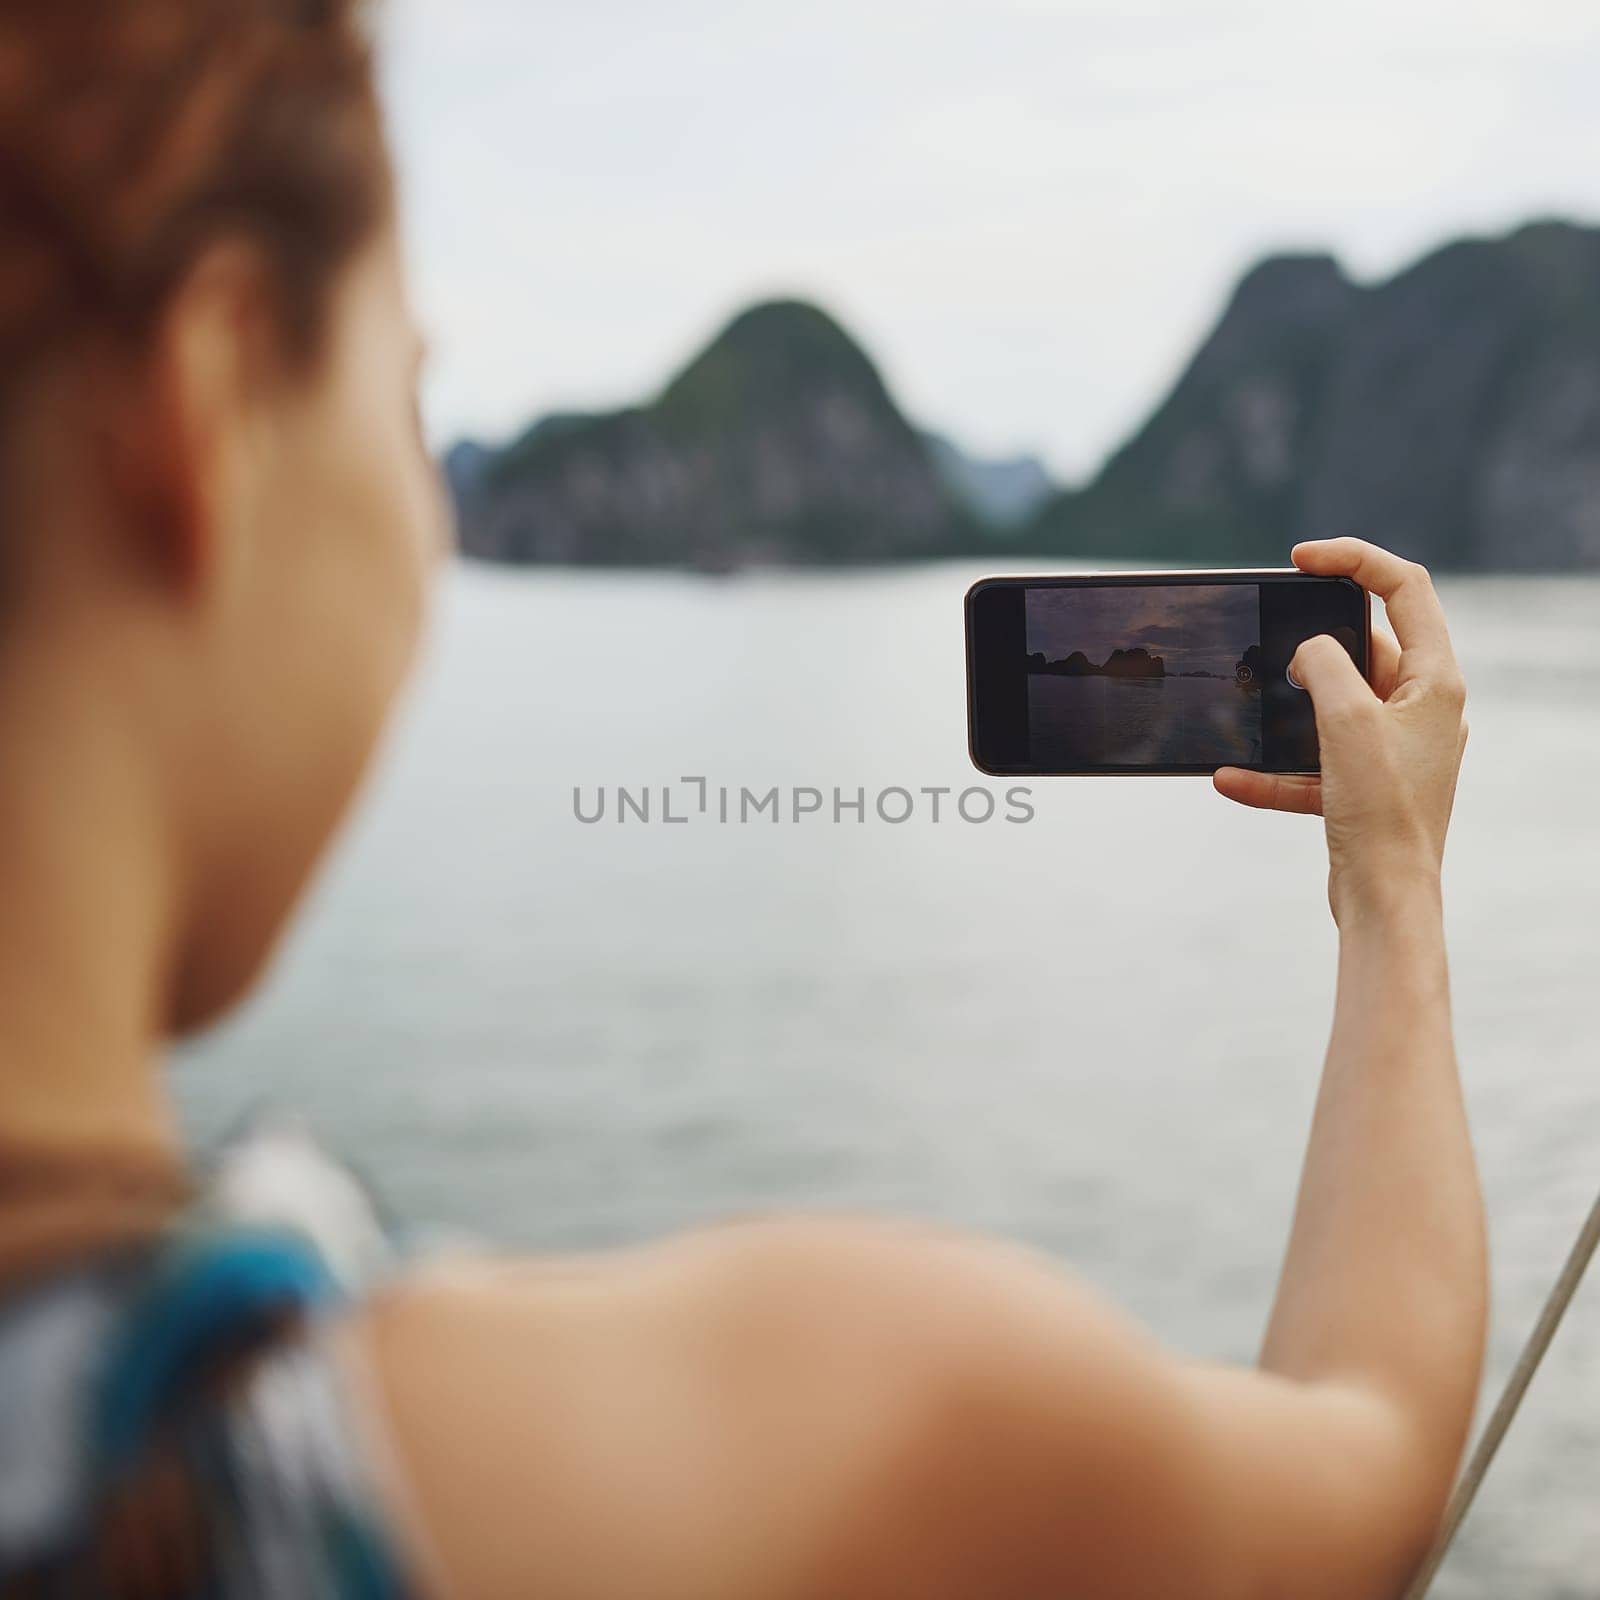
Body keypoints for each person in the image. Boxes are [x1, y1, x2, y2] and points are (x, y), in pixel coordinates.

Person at [0, 1, 1483, 1595]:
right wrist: (1388, 882)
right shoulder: (826, 1420)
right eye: (410, 402)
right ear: (212, 400)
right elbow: (1371, 1449)